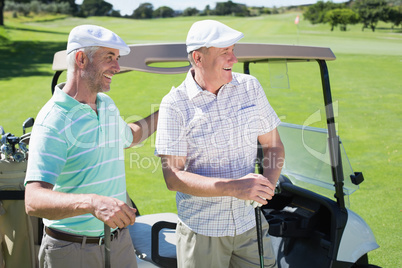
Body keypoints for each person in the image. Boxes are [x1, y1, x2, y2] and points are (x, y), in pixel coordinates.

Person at [24, 25, 158, 268]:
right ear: (81, 58)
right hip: (72, 251)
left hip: (119, 244)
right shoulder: (52, 121)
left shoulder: (105, 104)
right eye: (109, 58)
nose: (117, 68)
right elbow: (33, 200)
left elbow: (130, 136)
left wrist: (164, 112)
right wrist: (93, 203)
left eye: (117, 59)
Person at [155, 20, 285, 268]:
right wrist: (234, 187)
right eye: (225, 52)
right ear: (198, 58)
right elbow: (173, 177)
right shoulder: (174, 104)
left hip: (250, 225)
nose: (233, 59)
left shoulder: (250, 87)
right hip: (202, 233)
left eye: (233, 51)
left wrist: (267, 184)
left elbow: (273, 145)